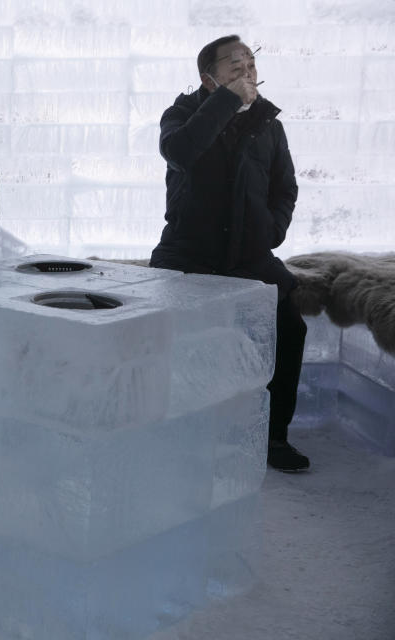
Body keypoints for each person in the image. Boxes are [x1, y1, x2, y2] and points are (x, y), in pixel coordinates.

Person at [150, 35, 309, 472]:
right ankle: (174, 433)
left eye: (251, 65)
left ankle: (272, 437)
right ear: (209, 78)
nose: (247, 73)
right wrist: (225, 103)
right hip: (189, 253)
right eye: (235, 67)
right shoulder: (182, 114)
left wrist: (270, 232)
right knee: (176, 340)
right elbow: (180, 152)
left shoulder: (269, 124)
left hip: (250, 255)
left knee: (289, 328)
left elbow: (285, 186)